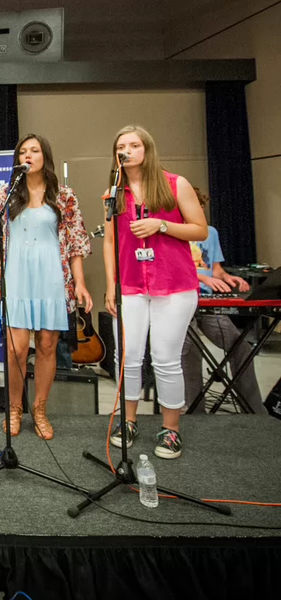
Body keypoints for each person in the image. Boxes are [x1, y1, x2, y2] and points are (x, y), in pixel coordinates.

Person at [104, 125, 208, 459]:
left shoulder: (175, 184)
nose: (128, 150)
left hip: (174, 285)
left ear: (147, 149)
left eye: (134, 145)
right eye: (122, 146)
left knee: (165, 358)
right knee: (128, 357)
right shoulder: (113, 194)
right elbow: (109, 242)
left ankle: (171, 429)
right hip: (131, 286)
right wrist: (111, 286)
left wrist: (161, 225)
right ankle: (129, 421)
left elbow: (200, 230)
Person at [0, 134, 93, 440]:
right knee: (17, 349)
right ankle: (15, 408)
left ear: (45, 156)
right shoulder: (6, 194)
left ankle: (41, 410)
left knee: (47, 346)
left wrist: (81, 284)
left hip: (52, 277)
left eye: (34, 150)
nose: (28, 155)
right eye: (23, 151)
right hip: (16, 276)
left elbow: (75, 244)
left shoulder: (64, 196)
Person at [181, 188, 266, 414]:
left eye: (198, 206)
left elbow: (216, 269)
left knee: (240, 346)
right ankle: (194, 411)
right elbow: (175, 268)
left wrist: (228, 277)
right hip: (183, 298)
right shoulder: (175, 232)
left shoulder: (210, 233)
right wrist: (203, 277)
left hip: (209, 300)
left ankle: (255, 410)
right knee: (190, 350)